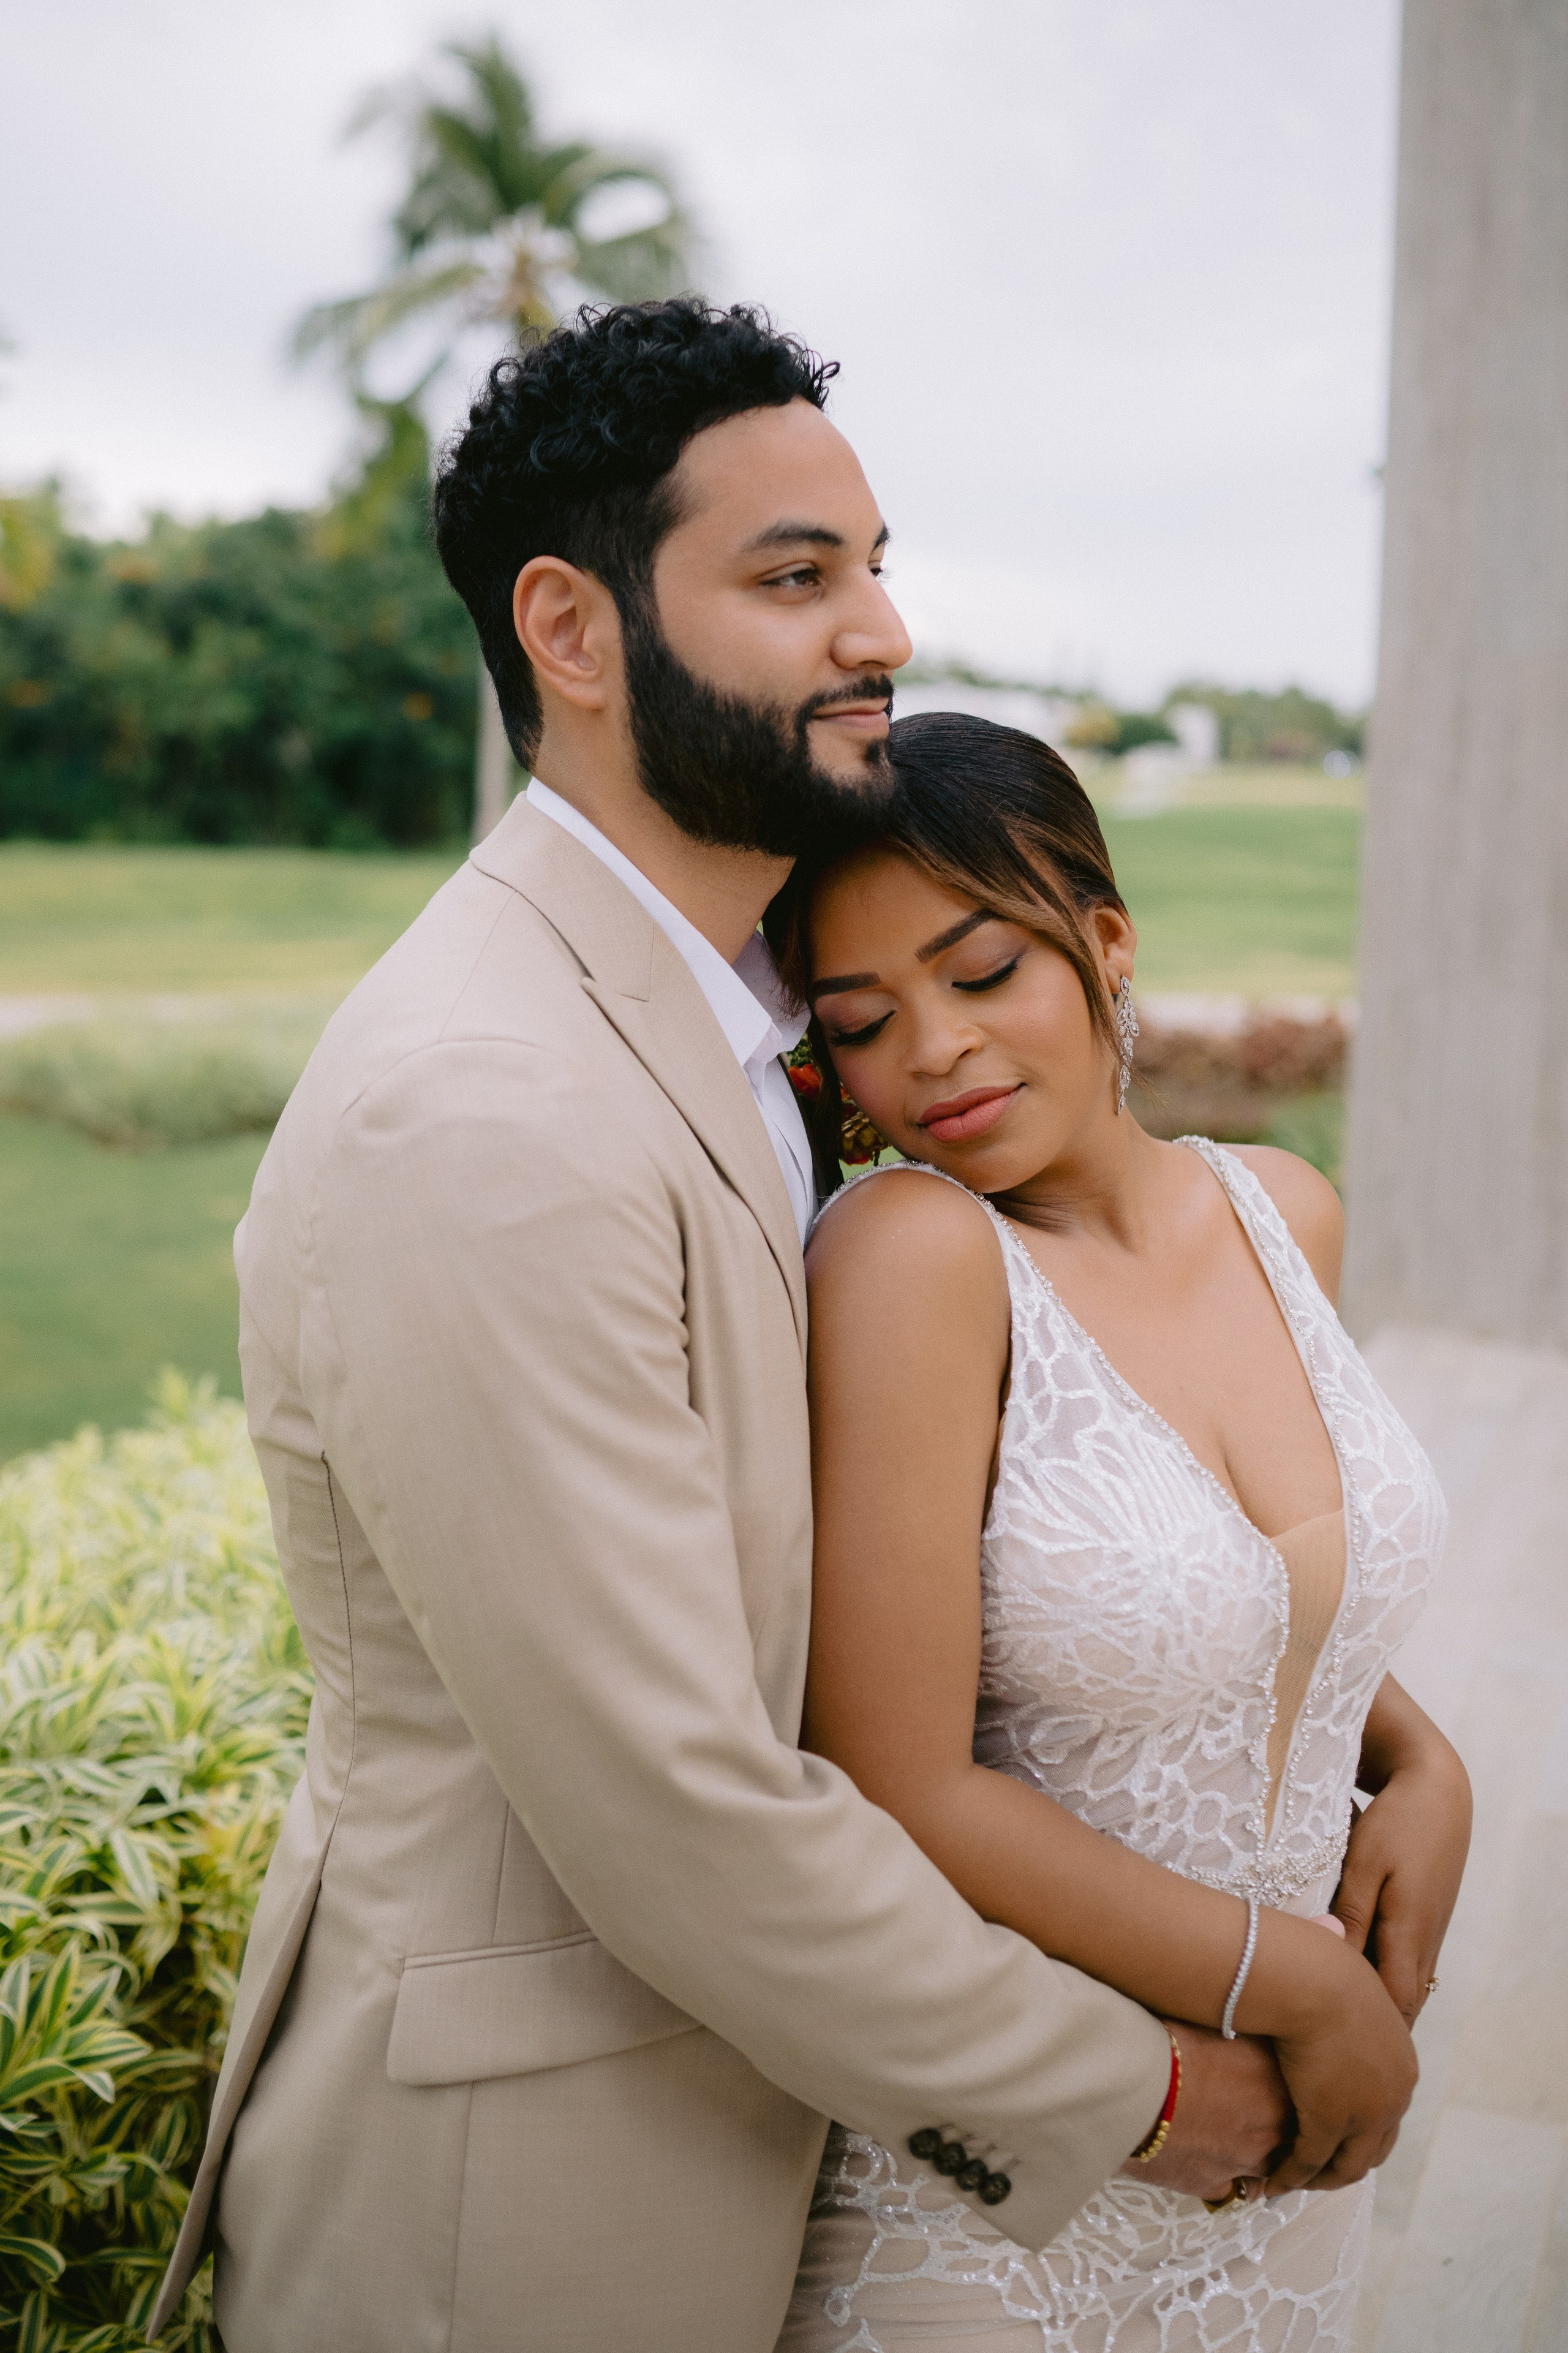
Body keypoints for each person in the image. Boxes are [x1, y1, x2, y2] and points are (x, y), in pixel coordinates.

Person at [149, 302, 1411, 2352]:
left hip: (782, 2142)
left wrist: (1391, 1750)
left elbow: (1002, 1544)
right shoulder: (481, 1100)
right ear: (572, 631)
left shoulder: (760, 1026)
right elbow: (677, 1802)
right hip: (539, 2213)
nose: (882, 631)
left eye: (876, 563)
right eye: (797, 577)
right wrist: (1152, 2088)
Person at [766, 712, 1471, 2351]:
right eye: (864, 1021)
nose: (933, 1048)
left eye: (982, 970)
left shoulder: (1286, 1210)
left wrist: (1428, 1766)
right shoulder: (914, 1259)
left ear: (1104, 942)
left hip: (1288, 2170)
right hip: (1025, 2179)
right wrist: (1307, 1988)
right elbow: (900, 1778)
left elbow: (1273, 1588)